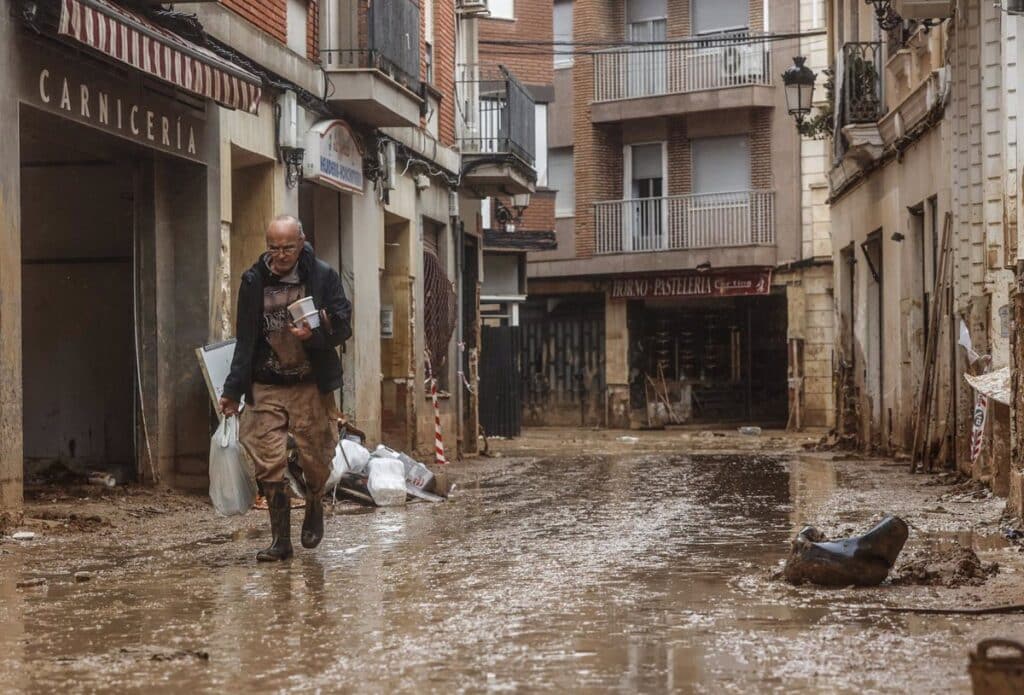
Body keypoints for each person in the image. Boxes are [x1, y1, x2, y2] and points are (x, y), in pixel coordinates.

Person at [220, 215, 352, 562]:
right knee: (268, 459)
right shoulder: (253, 281)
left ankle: (313, 501)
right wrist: (233, 391)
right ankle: (281, 541)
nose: (280, 255)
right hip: (266, 384)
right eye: (273, 248)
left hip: (309, 384)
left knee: (317, 457)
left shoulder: (322, 276)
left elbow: (343, 327)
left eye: (288, 248)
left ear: (302, 242)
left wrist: (317, 334)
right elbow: (245, 341)